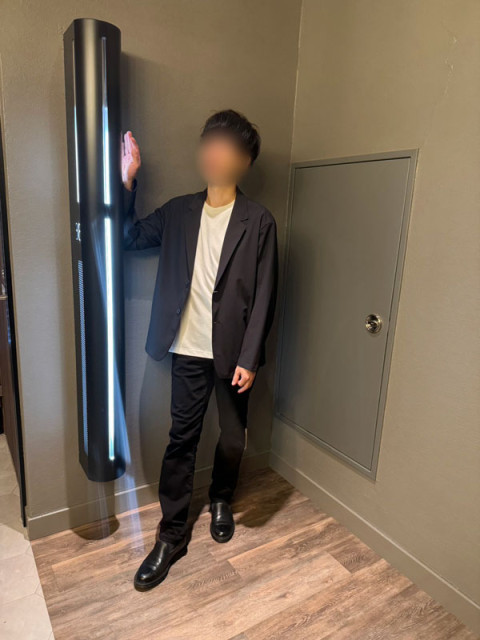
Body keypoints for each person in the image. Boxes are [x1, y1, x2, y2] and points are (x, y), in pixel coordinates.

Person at [121, 109, 278, 591]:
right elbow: (128, 238)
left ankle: (221, 498)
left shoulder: (258, 221)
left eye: (227, 147)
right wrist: (127, 182)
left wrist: (250, 357)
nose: (215, 153)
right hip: (186, 349)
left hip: (234, 354)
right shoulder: (178, 212)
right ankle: (171, 536)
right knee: (181, 441)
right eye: (211, 143)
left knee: (232, 437)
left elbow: (266, 293)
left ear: (244, 160)